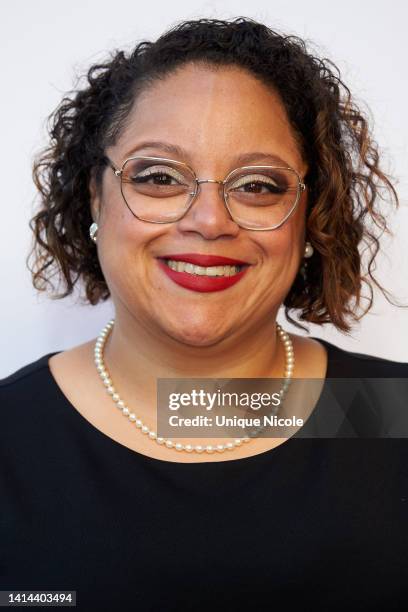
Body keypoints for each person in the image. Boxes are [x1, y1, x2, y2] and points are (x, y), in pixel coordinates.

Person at [1, 16, 407, 611]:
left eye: (259, 185)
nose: (210, 221)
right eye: (160, 177)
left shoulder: (391, 416)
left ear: (309, 212)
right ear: (97, 196)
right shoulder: (9, 439)